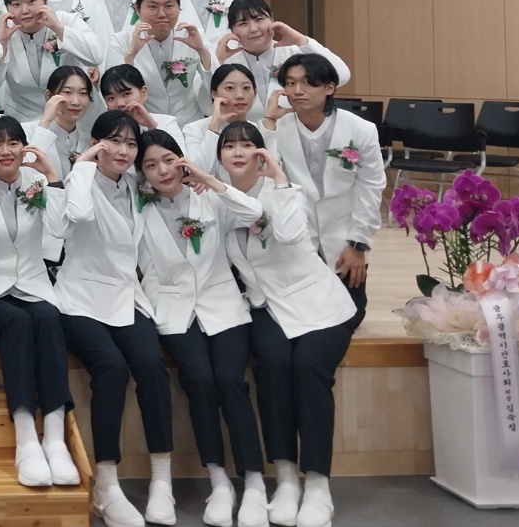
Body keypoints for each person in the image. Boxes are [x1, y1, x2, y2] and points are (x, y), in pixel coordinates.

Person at [219, 121, 356, 527]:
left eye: (248, 145)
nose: (239, 152)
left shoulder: (287, 192)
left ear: (262, 154)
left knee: (309, 368)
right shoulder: (218, 201)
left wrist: (279, 180)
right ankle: (285, 477)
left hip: (319, 305)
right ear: (220, 156)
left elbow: (294, 236)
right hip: (266, 308)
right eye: (230, 146)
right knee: (273, 367)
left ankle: (318, 484)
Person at [134, 131, 268, 527]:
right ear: (142, 173)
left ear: (183, 160)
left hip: (222, 304)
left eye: (168, 160)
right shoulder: (139, 209)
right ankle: (219, 481)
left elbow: (254, 214)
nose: (162, 171)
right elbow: (146, 269)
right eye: (151, 165)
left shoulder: (209, 197)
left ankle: (255, 482)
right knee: (199, 381)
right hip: (173, 310)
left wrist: (210, 179)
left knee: (230, 381)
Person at [56, 110, 175, 527]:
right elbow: (78, 215)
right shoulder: (79, 180)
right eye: (114, 141)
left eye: (130, 143)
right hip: (80, 298)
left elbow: (174, 159)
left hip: (127, 296)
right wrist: (84, 164)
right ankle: (106, 482)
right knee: (111, 367)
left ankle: (162, 479)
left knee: (151, 366)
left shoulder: (137, 185)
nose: (123, 151)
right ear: (96, 144)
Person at [0, 116, 80, 487]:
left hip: (32, 284)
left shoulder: (37, 182)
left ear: (24, 147)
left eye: (13, 143)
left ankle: (56, 438)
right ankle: (26, 438)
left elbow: (60, 230)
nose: (5, 151)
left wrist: (53, 176)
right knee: (18, 323)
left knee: (48, 319)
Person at [261, 54, 384, 327]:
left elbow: (372, 187)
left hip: (343, 239)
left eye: (308, 83)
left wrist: (358, 244)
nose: (297, 91)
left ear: (329, 87)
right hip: (297, 236)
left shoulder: (361, 129)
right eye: (290, 83)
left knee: (350, 316)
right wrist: (268, 121)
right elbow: (264, 176)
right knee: (299, 317)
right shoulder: (277, 128)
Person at [0, 0, 104, 121]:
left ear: (45, 1)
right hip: (24, 120)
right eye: (16, 4)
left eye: (31, 2)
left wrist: (58, 28)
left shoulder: (66, 21)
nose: (24, 10)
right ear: (7, 8)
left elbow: (96, 57)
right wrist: (2, 44)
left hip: (72, 116)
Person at [217, 0, 350, 122]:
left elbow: (341, 76)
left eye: (259, 19)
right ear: (232, 30)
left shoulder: (295, 53)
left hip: (293, 132)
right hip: (244, 135)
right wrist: (217, 62)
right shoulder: (228, 62)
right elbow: (209, 102)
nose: (253, 29)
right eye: (243, 23)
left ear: (272, 19)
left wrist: (301, 40)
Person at [105, 0, 211, 125]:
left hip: (189, 122)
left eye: (169, 6)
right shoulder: (121, 41)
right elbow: (113, 88)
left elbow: (216, 84)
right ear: (138, 9)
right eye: (153, 7)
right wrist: (131, 54)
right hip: (144, 122)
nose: (162, 14)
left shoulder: (193, 35)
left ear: (179, 7)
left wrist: (202, 51)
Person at [183, 64, 268, 176]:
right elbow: (196, 173)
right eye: (230, 88)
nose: (240, 95)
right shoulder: (195, 129)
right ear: (214, 93)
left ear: (255, 93)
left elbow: (269, 171)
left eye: (246, 88)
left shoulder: (259, 129)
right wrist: (214, 127)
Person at [26, 65, 95, 182]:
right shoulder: (26, 132)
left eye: (83, 93)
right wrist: (46, 120)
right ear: (49, 96)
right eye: (67, 92)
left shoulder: (89, 142)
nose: (76, 102)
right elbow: (28, 172)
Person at [98, 65, 187, 149]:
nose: (120, 103)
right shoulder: (103, 132)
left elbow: (180, 157)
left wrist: (151, 126)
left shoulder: (166, 122)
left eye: (126, 94)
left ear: (143, 93)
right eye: (111, 98)